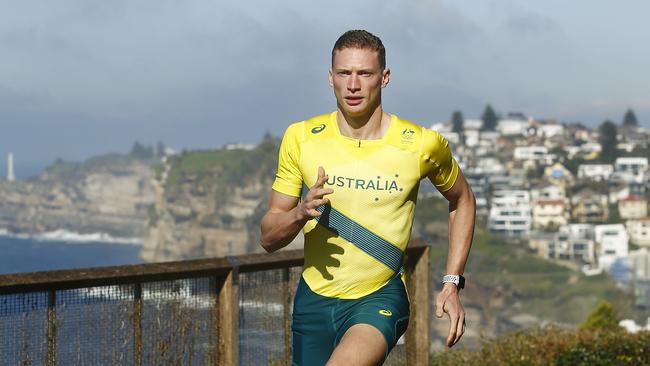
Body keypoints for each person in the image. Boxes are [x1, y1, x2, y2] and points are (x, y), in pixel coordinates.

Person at [260, 29, 476, 366]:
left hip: (379, 296)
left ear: (385, 77)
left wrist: (452, 281)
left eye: (365, 73)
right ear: (330, 77)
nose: (353, 85)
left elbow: (462, 200)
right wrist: (299, 213)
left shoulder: (421, 144)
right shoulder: (301, 138)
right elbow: (268, 236)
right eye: (344, 73)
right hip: (313, 301)